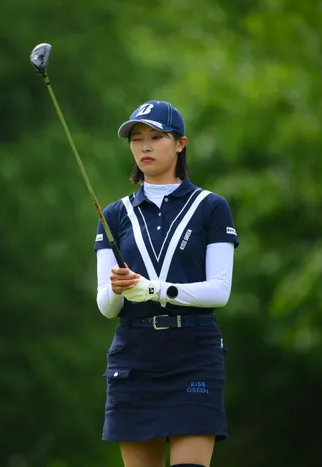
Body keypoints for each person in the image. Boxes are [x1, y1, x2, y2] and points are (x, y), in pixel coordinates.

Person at [93, 100, 239, 467]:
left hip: (194, 353)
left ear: (180, 144)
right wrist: (117, 288)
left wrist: (155, 289)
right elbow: (106, 307)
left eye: (156, 137)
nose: (144, 146)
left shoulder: (211, 206)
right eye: (136, 138)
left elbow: (220, 291)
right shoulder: (114, 214)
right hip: (134, 355)